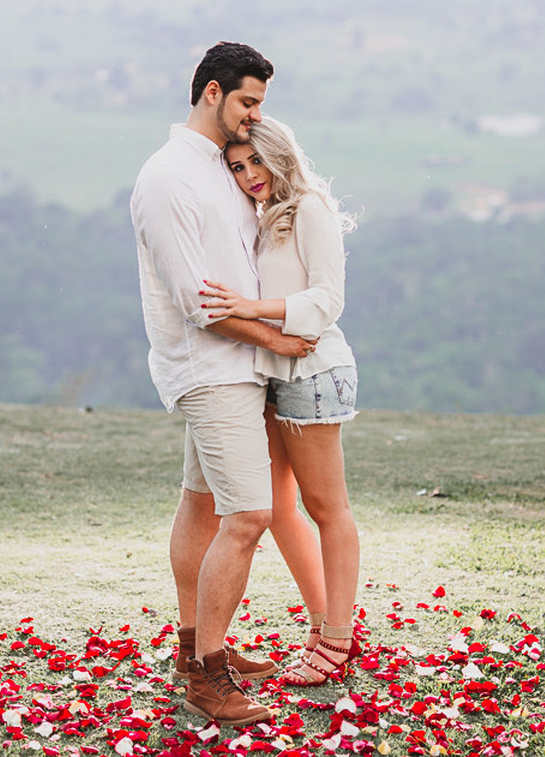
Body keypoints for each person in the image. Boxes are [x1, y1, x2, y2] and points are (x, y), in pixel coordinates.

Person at [129, 43, 317, 725]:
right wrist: (278, 339)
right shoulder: (167, 178)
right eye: (247, 102)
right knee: (251, 516)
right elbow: (196, 302)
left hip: (239, 367)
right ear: (211, 93)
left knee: (202, 505)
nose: (254, 117)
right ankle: (208, 679)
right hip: (211, 369)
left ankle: (193, 648)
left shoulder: (219, 170)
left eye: (259, 104)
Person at [199, 115, 361, 686]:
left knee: (327, 508)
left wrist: (248, 308)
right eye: (238, 167)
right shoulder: (264, 217)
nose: (249, 175)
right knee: (278, 509)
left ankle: (338, 638)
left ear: (280, 154)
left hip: (313, 371)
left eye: (256, 161)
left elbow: (326, 300)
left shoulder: (310, 208)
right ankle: (321, 623)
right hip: (271, 375)